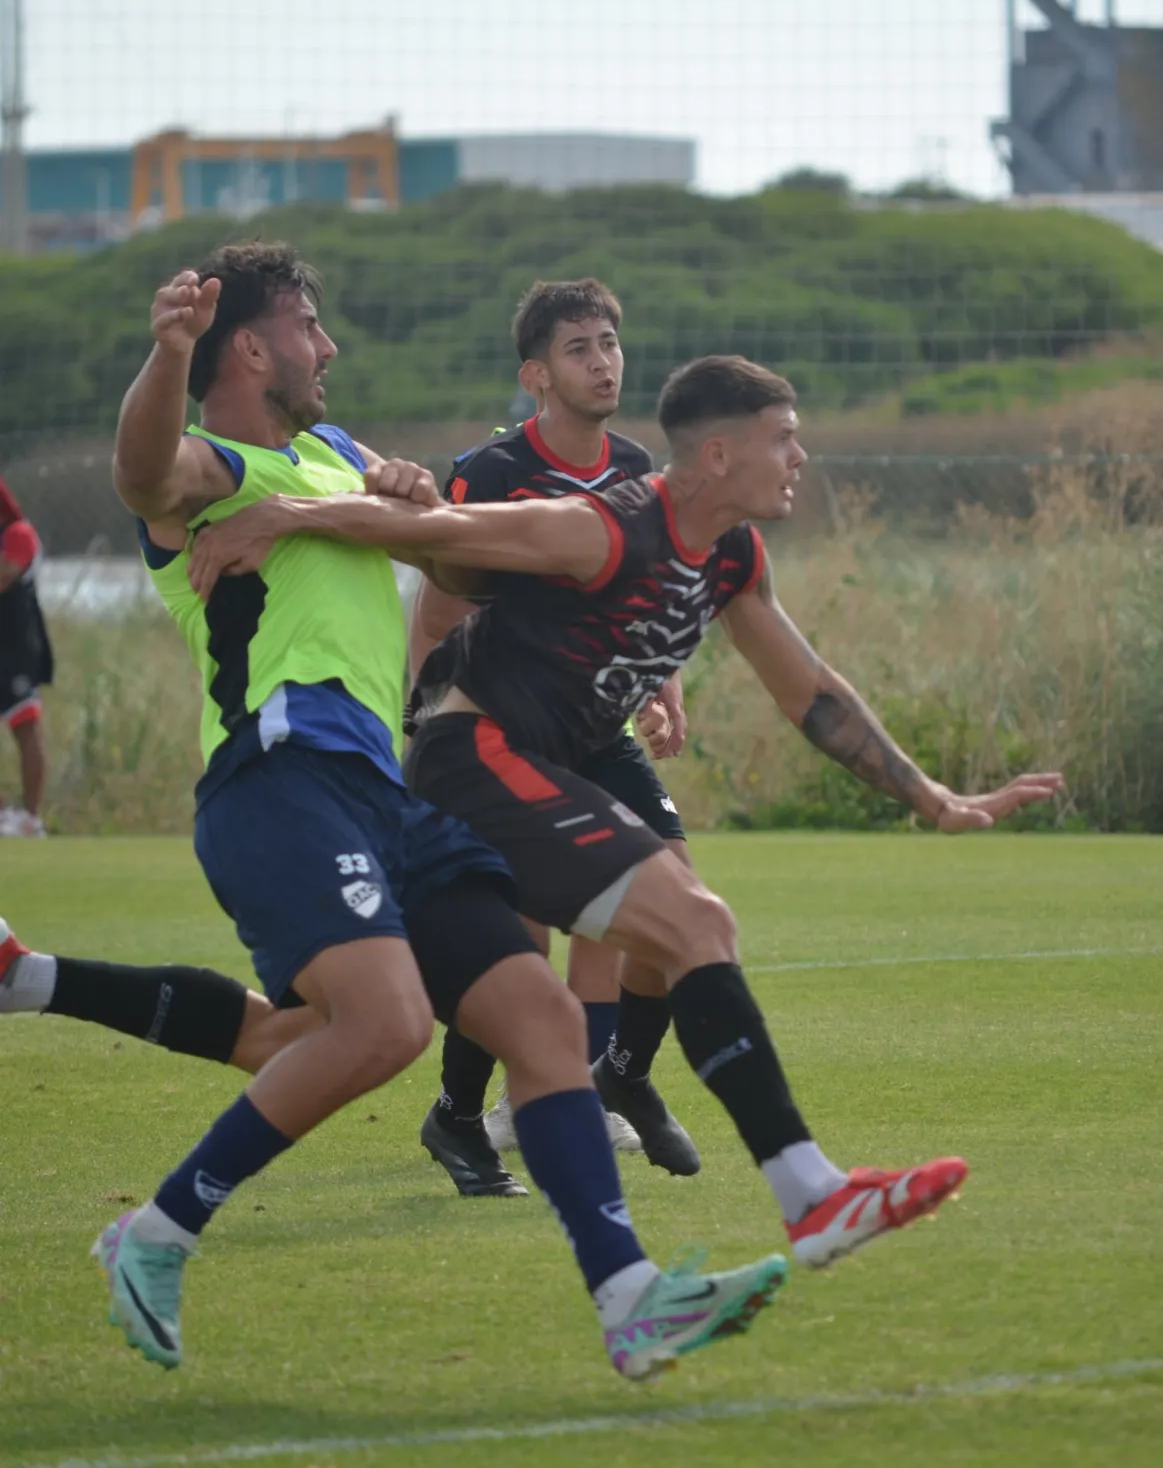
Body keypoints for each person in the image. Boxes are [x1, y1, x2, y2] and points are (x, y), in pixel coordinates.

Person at [188, 352, 1062, 1274]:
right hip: (473, 758)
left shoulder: (733, 554)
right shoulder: (599, 528)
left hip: (548, 763)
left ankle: (720, 1192)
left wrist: (934, 798)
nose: (800, 456)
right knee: (685, 918)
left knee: (652, 945)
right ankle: (803, 1195)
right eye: (785, 438)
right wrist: (289, 509)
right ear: (718, 454)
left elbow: (812, 694)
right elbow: (440, 525)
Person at [85, 247, 786, 1379]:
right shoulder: (220, 468)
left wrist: (400, 486)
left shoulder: (325, 452)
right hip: (281, 777)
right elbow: (141, 471)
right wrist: (168, 355)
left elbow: (416, 514)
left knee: (546, 1021)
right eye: (310, 326)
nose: (331, 346)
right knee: (384, 1023)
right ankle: (153, 1231)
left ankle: (632, 1298)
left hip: (385, 788)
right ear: (253, 348)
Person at [413, 277, 699, 1196]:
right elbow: (438, 612)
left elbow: (648, 594)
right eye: (580, 347)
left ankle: (616, 1076)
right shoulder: (489, 475)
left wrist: (662, 682)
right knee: (521, 931)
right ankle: (461, 1116)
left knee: (674, 901)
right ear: (537, 373)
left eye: (610, 341)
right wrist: (429, 726)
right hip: (502, 731)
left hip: (594, 725)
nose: (603, 359)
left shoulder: (636, 465)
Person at [0, 476, 53, 838]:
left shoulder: (18, 533)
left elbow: (4, 576)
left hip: (18, 646)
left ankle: (31, 818)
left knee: (25, 728)